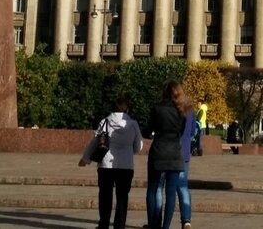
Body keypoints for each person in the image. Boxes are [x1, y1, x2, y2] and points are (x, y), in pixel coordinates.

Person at [78, 97, 143, 229]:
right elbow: (139, 146)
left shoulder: (105, 122)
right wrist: (130, 151)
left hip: (106, 164)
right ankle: (119, 225)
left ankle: (104, 224)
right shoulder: (133, 124)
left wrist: (85, 159)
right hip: (126, 165)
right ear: (127, 109)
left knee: (105, 194)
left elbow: (96, 142)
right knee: (122, 197)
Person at [146, 81, 189, 229]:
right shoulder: (182, 110)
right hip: (175, 153)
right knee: (171, 194)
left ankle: (153, 224)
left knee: (153, 189)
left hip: (158, 151)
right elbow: (182, 132)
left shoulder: (157, 108)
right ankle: (166, 227)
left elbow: (148, 130)